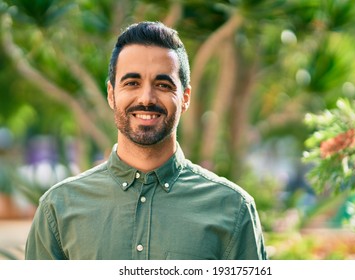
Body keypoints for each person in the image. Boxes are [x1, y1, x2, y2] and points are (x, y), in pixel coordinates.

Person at [25, 21, 267, 260]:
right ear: (111, 94)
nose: (147, 98)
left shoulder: (233, 208)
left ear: (185, 97)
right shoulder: (58, 208)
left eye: (163, 85)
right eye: (132, 83)